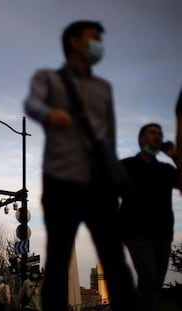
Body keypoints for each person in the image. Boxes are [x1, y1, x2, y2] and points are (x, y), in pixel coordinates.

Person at [24, 20, 138, 311]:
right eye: (94, 37)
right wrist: (49, 115)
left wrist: (114, 177)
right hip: (61, 180)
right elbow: (32, 103)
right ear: (75, 42)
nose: (100, 42)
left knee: (114, 259)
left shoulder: (104, 88)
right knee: (58, 259)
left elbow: (109, 137)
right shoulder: (48, 78)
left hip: (99, 182)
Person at [119, 123, 180, 311]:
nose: (157, 137)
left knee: (153, 285)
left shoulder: (166, 170)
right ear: (141, 139)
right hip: (135, 233)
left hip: (162, 234)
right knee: (149, 278)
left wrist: (176, 157)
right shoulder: (125, 166)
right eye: (152, 133)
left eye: (160, 134)